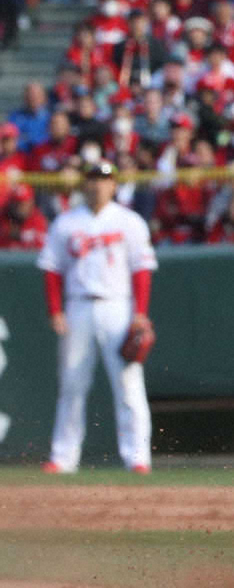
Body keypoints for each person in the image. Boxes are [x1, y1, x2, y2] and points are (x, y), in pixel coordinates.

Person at [37, 160, 157, 474]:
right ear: (83, 184)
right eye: (92, 179)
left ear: (113, 185)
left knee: (128, 384)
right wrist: (55, 310)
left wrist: (140, 313)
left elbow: (142, 270)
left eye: (103, 179)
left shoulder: (129, 221)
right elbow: (51, 268)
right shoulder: (66, 222)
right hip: (78, 306)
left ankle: (137, 456)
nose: (97, 185)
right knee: (72, 384)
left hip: (118, 306)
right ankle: (63, 457)